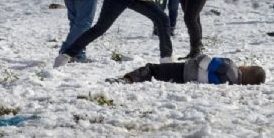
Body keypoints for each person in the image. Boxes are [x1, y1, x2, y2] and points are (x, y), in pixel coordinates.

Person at [112, 55, 265, 85]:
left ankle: (128, 79)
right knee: (158, 76)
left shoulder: (230, 67)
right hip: (187, 79)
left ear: (247, 69)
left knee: (152, 69)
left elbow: (207, 63)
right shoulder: (232, 82)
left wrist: (199, 57)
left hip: (185, 69)